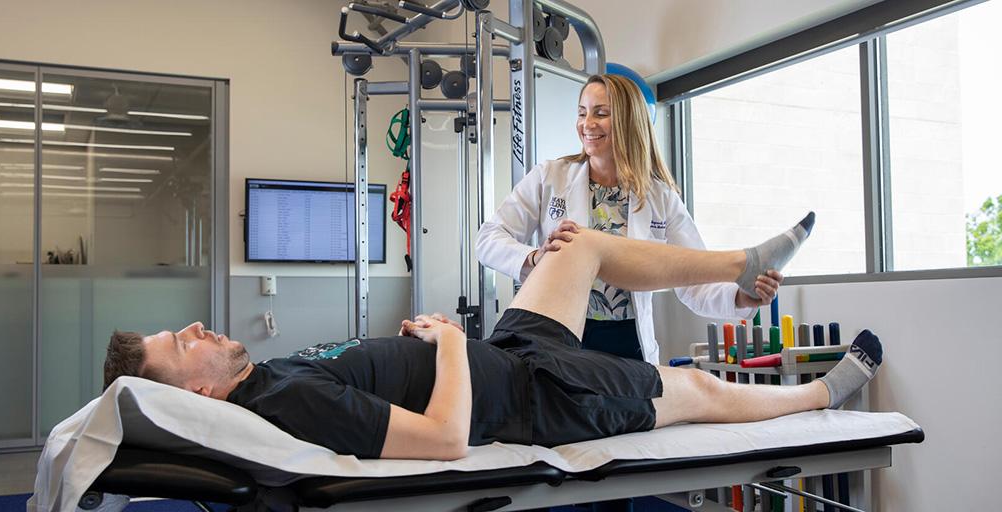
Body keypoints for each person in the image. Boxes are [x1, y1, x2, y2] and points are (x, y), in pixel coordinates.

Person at [102, 215, 882, 461]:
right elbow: (444, 439)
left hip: (506, 355)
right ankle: (821, 391)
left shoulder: (272, 377)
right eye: (185, 341)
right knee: (698, 389)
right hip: (539, 395)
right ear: (199, 392)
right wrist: (443, 342)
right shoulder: (290, 405)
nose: (201, 328)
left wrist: (424, 339)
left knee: (576, 244)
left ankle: (743, 268)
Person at [477, 74, 782, 365]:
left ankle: (741, 265)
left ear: (628, 120)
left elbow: (693, 283)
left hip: (629, 344)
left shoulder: (660, 197)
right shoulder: (550, 177)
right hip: (565, 336)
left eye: (600, 113)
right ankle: (742, 260)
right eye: (582, 113)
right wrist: (534, 257)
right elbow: (488, 239)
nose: (587, 124)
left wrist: (741, 297)